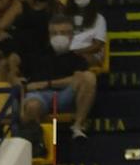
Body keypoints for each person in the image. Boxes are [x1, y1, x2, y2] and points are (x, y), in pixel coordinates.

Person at [17, 15, 99, 147]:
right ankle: (37, 142)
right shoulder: (35, 56)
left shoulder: (78, 59)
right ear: (49, 35)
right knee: (32, 106)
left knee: (89, 77)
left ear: (71, 35)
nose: (59, 36)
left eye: (64, 33)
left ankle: (77, 127)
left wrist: (47, 84)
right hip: (39, 96)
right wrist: (22, 105)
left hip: (65, 96)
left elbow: (77, 78)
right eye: (55, 33)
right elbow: (20, 81)